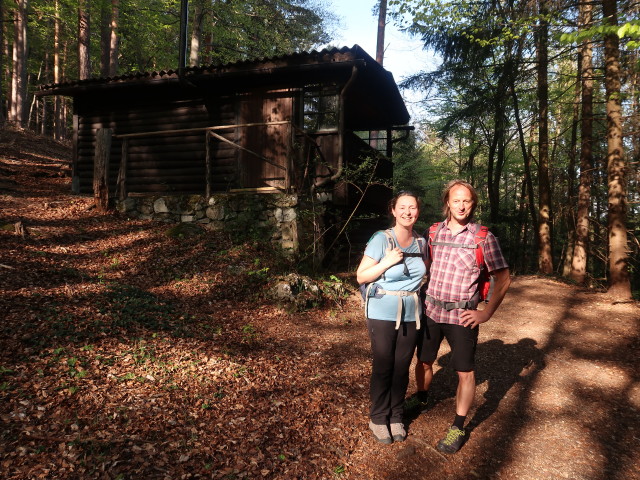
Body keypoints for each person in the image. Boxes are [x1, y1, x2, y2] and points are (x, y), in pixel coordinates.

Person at [413, 180, 511, 454]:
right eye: (456, 200)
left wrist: (486, 312)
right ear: (447, 202)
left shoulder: (483, 238)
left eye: (466, 201)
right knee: (423, 361)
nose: (461, 205)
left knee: (465, 373)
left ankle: (458, 425)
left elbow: (503, 278)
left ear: (473, 204)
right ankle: (421, 398)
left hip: (463, 315)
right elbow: (422, 265)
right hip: (431, 310)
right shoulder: (432, 232)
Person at [356, 191, 427, 444]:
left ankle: (396, 416)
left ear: (418, 211)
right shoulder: (381, 239)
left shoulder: (421, 242)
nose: (408, 212)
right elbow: (361, 276)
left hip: (411, 312)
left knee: (402, 367)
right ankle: (377, 417)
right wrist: (386, 262)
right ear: (394, 211)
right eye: (403, 207)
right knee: (384, 366)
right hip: (382, 311)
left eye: (413, 207)